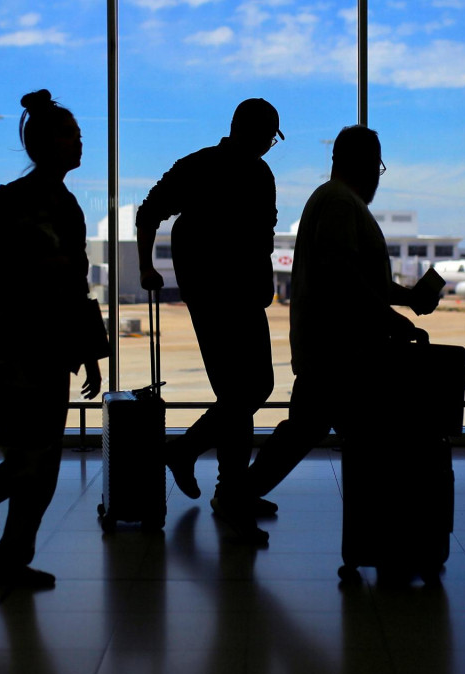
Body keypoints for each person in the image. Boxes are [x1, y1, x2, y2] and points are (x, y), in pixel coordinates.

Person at [233, 125, 439, 543]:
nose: (379, 176)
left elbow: (358, 275)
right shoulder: (342, 204)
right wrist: (391, 319)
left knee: (306, 429)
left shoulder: (334, 201)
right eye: (378, 165)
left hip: (332, 346)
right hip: (339, 349)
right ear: (365, 164)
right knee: (358, 436)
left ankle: (239, 497)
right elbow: (342, 277)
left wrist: (406, 299)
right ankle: (383, 529)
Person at [0, 89, 109, 589]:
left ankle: (11, 561)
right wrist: (43, 267)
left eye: (79, 134)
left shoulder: (67, 207)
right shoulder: (18, 205)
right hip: (15, 352)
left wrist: (89, 355)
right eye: (69, 134)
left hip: (50, 350)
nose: (79, 142)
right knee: (30, 462)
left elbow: (76, 288)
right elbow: (7, 275)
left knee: (44, 467)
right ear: (44, 143)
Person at [135, 98, 283, 537]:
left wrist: (149, 264)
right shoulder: (216, 168)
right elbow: (149, 213)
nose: (270, 146)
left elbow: (263, 238)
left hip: (240, 295)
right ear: (251, 131)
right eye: (269, 137)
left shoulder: (242, 171)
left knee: (250, 390)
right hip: (218, 297)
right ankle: (229, 492)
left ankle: (190, 455)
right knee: (243, 393)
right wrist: (145, 266)